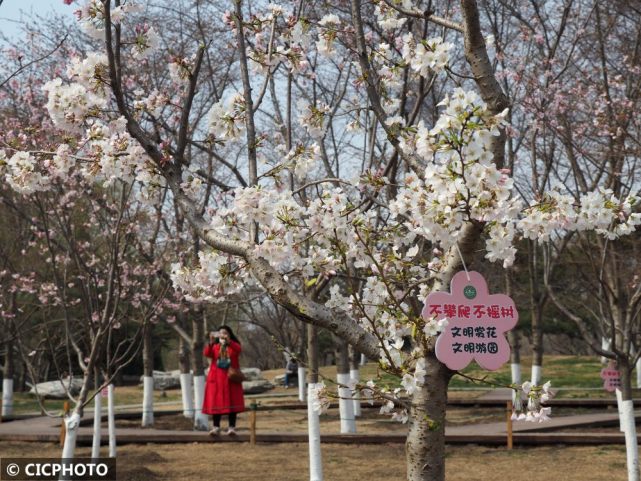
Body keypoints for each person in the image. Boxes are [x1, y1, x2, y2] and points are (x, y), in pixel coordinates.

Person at [202, 325, 245, 436]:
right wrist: (211, 342)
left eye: (225, 333)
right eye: (220, 333)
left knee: (232, 403)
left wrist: (229, 341)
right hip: (216, 379)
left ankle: (231, 428)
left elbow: (238, 350)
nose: (223, 335)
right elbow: (207, 353)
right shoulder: (215, 346)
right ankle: (216, 427)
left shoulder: (233, 345)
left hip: (230, 378)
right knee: (216, 403)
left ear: (229, 334)